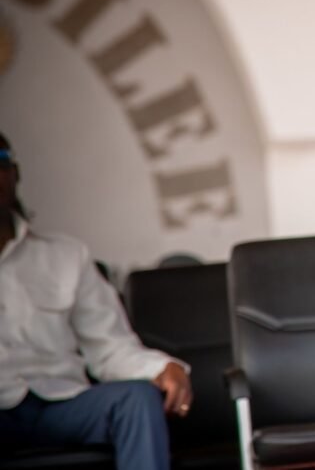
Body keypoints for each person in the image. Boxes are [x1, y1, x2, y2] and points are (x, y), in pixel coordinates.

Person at [0, 133, 192, 469]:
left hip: (61, 404)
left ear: (14, 173)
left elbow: (109, 347)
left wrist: (162, 367)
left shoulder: (67, 255)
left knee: (136, 400)